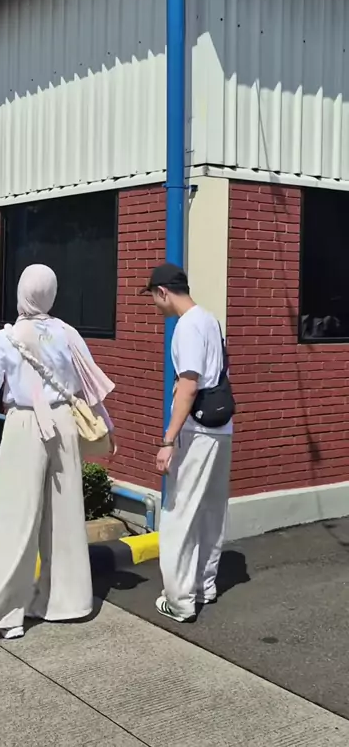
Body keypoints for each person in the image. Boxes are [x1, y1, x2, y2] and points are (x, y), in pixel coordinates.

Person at [0, 264, 115, 639]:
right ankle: (66, 603)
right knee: (65, 518)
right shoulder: (68, 334)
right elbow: (88, 391)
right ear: (51, 294)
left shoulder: (5, 339)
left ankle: (6, 615)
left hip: (25, 425)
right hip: (64, 425)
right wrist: (108, 428)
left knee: (14, 520)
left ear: (22, 292)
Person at [142, 263, 233, 623]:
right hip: (221, 428)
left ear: (163, 292)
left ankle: (179, 601)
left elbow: (189, 385)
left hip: (196, 431)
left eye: (153, 296)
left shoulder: (186, 327)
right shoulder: (210, 320)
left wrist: (167, 440)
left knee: (180, 512)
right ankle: (204, 586)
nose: (154, 304)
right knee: (211, 510)